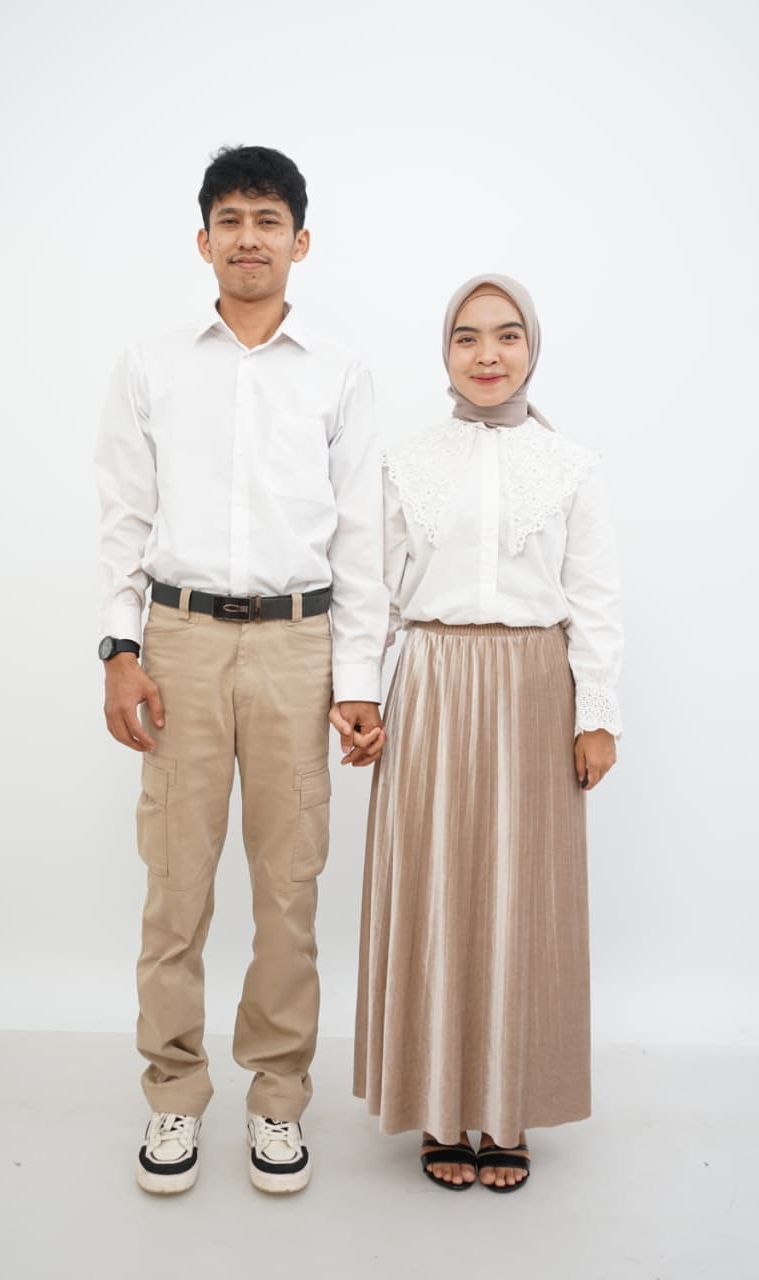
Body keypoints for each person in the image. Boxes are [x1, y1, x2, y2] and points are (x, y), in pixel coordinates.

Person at [95, 145, 387, 1195]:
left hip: (297, 647)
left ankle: (277, 1099)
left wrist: (358, 680)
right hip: (177, 640)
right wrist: (120, 648)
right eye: (231, 219)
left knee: (288, 888)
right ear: (203, 239)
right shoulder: (150, 364)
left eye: (268, 220)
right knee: (174, 886)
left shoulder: (339, 373)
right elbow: (122, 520)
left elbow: (360, 537)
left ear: (300, 241)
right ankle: (173, 1091)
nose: (249, 237)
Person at [334, 273, 622, 1192]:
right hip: (431, 683)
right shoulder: (405, 461)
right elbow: (369, 591)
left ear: (531, 346)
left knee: (522, 896)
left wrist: (597, 715)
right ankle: (439, 1107)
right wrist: (359, 693)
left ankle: (506, 1111)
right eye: (466, 337)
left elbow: (594, 600)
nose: (486, 354)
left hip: (536, 688)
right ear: (445, 351)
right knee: (435, 890)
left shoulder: (570, 465)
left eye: (505, 335)